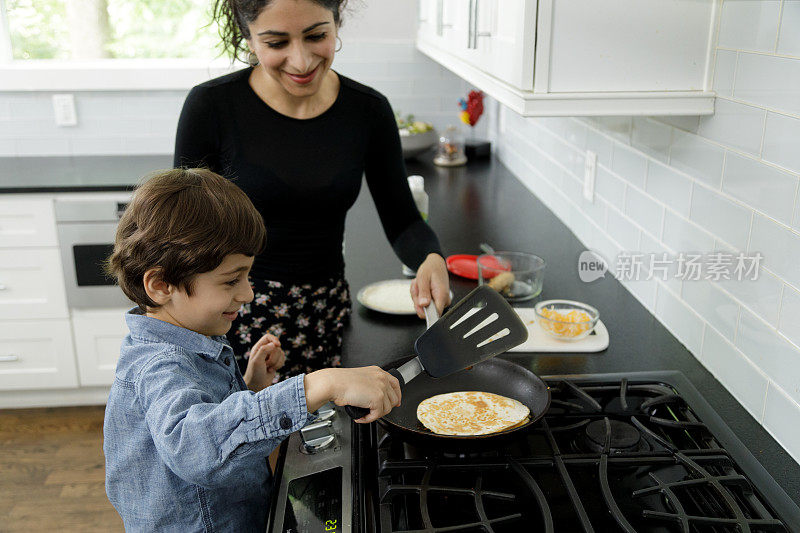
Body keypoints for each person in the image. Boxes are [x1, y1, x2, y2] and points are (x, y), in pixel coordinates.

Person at [103, 168, 401, 532]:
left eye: (247, 276)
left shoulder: (187, 331)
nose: (248, 294)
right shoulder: (158, 365)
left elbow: (209, 416)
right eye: (232, 280)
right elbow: (197, 449)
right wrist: (317, 385)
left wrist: (251, 386)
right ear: (161, 285)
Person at [174, 0, 451, 377]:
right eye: (276, 43)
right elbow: (181, 233)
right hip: (233, 311)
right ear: (249, 38)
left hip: (325, 309)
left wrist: (431, 258)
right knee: (248, 432)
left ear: (337, 23)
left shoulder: (367, 111)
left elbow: (403, 219)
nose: (301, 62)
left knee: (323, 430)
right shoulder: (211, 107)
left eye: (317, 36)